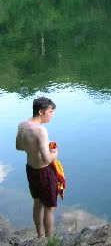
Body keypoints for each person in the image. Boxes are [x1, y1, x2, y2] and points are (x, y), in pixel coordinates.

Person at [16, 97, 58, 237]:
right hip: (44, 172)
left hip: (31, 169)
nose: (52, 114)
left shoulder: (22, 124)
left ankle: (40, 236)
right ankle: (49, 240)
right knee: (49, 207)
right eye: (50, 111)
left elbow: (18, 146)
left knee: (37, 203)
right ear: (41, 111)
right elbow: (47, 159)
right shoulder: (41, 131)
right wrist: (55, 153)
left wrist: (36, 148)